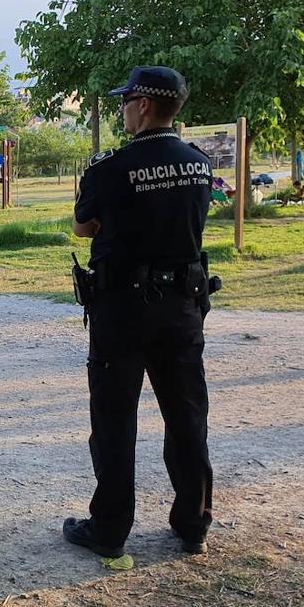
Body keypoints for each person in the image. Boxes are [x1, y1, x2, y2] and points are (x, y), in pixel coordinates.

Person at [65, 65, 215, 558]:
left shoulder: (110, 168)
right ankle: (193, 523)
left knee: (114, 419)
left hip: (122, 309)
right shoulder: (198, 163)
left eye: (125, 101)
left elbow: (84, 229)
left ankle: (109, 529)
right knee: (187, 414)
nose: (122, 110)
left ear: (144, 106)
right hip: (182, 307)